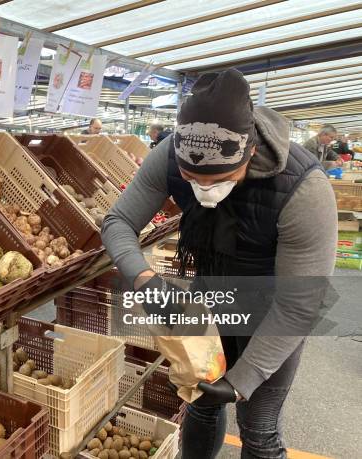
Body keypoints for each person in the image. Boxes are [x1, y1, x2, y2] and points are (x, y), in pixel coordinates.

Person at [102, 69, 337, 459]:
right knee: (201, 406)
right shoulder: (170, 156)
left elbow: (300, 304)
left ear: (250, 153)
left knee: (259, 430)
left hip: (274, 311)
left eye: (221, 178)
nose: (206, 190)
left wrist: (242, 380)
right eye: (193, 179)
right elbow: (118, 222)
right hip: (210, 301)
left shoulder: (303, 190)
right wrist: (143, 278)